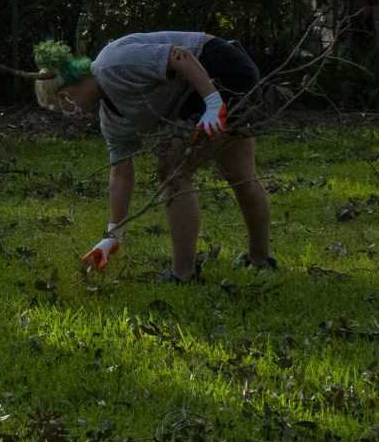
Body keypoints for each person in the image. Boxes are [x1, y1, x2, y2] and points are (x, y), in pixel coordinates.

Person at [34, 30, 275, 281]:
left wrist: (214, 103)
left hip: (221, 67)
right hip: (194, 95)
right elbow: (121, 173)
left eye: (58, 103)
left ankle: (183, 275)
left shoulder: (112, 63)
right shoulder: (112, 120)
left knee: (173, 171)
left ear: (65, 91)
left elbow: (178, 56)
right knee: (238, 172)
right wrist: (112, 235)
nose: (63, 111)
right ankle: (259, 261)